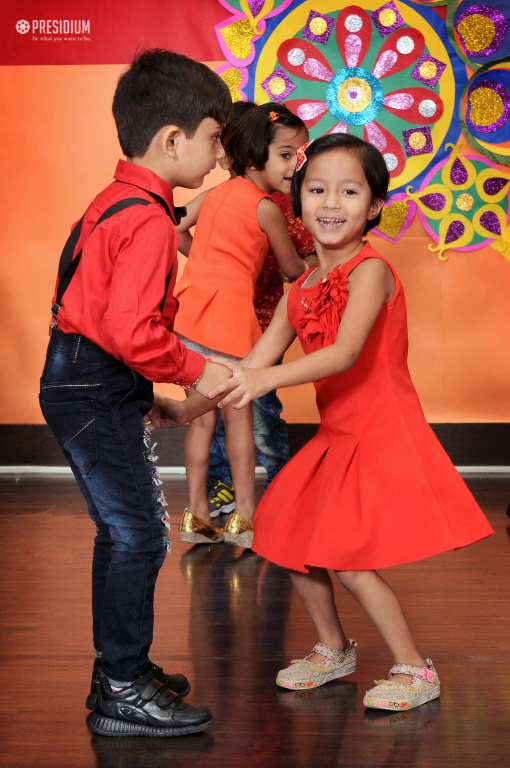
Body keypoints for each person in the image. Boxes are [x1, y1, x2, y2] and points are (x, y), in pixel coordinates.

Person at [200, 134, 494, 711]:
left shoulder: (373, 270)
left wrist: (264, 382)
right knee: (283, 537)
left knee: (351, 561)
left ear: (374, 205)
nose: (330, 202)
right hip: (339, 436)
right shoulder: (302, 288)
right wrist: (184, 407)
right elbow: (246, 370)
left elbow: (345, 353)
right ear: (299, 202)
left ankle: (416, 670)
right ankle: (334, 648)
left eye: (349, 190)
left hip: (382, 431)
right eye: (316, 189)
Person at [38, 48, 237, 738]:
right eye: (214, 139)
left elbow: (90, 309)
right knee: (140, 537)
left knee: (127, 534)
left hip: (88, 379)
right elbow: (131, 328)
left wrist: (131, 390)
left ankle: (119, 670)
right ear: (173, 140)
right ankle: (123, 688)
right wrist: (196, 370)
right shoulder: (150, 217)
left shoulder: (117, 199)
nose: (218, 157)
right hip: (91, 384)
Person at [172, 103, 315, 548]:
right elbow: (293, 270)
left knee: (199, 420)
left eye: (300, 154)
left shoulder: (214, 194)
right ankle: (245, 519)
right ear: (255, 158)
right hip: (231, 318)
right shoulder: (267, 209)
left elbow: (172, 223)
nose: (297, 164)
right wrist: (320, 258)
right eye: (287, 155)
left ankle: (195, 516)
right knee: (239, 419)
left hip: (190, 310)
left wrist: (203, 264)